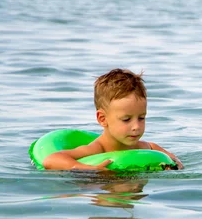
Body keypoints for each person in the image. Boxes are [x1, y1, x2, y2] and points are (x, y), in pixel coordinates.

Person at [43, 69, 183, 170]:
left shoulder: (145, 147)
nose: (136, 126)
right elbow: (50, 160)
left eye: (141, 118)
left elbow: (166, 155)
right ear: (102, 119)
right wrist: (85, 168)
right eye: (126, 119)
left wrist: (174, 164)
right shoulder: (96, 149)